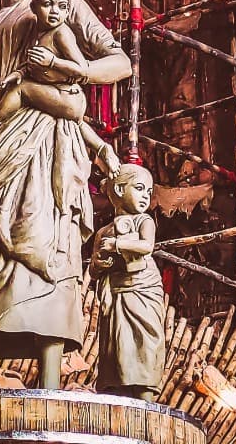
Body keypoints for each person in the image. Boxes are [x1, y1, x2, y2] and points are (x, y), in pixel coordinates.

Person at [0, 0, 131, 390]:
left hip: (48, 148)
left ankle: (50, 384)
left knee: (49, 248)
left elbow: (119, 61)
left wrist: (74, 73)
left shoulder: (62, 0)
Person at [0, 0, 119, 172]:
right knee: (75, 121)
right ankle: (102, 147)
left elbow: (81, 69)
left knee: (22, 90)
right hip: (57, 95)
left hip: (67, 95)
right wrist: (20, 73)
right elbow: (34, 64)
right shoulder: (37, 31)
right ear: (34, 7)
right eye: (48, 4)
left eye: (62, 6)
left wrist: (53, 62)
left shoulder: (61, 33)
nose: (55, 11)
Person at [90, 164, 166, 401]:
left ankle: (145, 398)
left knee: (146, 340)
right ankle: (117, 393)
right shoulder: (103, 232)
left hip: (143, 288)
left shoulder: (145, 221)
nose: (145, 196)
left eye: (148, 192)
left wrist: (118, 245)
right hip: (116, 291)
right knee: (116, 346)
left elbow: (147, 246)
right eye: (139, 188)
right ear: (120, 189)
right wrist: (100, 263)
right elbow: (93, 269)